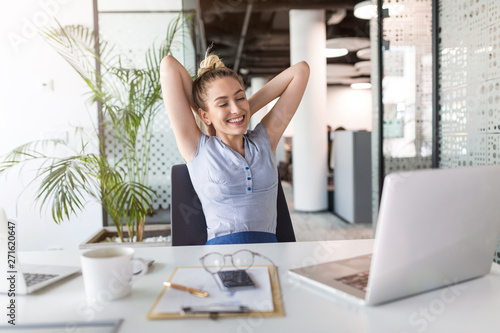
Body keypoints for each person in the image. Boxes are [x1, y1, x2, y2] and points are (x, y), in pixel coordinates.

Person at [160, 51, 309, 245]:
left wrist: (241, 111)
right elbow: (168, 65)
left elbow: (301, 71)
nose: (236, 108)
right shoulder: (197, 147)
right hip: (220, 261)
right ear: (204, 115)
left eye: (240, 98)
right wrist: (213, 117)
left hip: (271, 258)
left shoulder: (265, 140)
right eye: (222, 103)